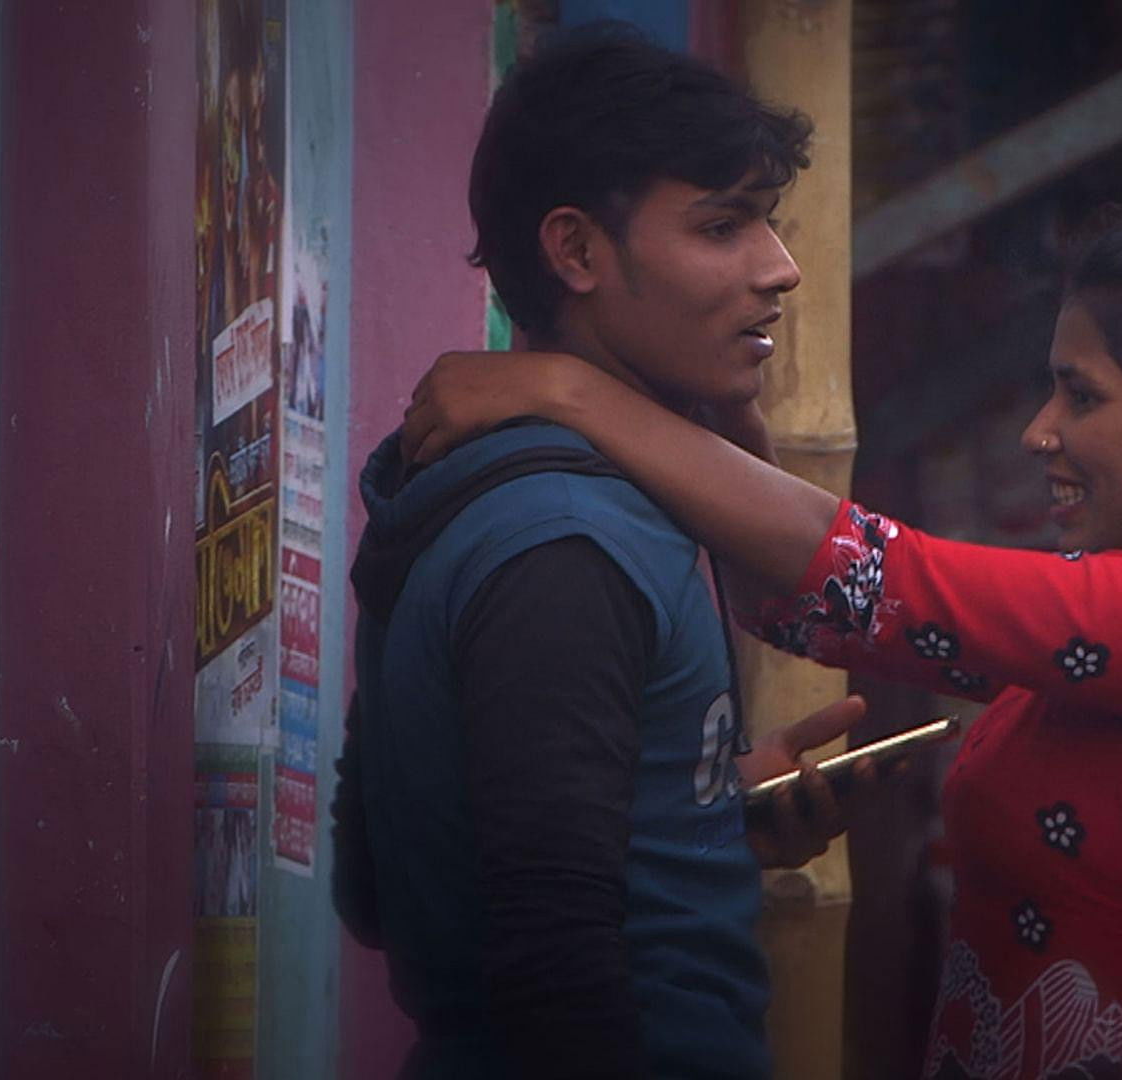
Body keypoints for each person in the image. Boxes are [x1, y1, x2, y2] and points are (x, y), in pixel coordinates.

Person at [401, 200, 1122, 1078]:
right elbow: (813, 603)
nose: (1039, 432)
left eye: (1080, 395)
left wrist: (568, 391)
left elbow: (881, 585)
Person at [329, 24, 869, 1078]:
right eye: (724, 226)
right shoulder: (569, 542)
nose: (781, 268)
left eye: (769, 221)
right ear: (576, 251)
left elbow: (374, 889)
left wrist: (695, 824)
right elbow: (555, 969)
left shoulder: (501, 498)